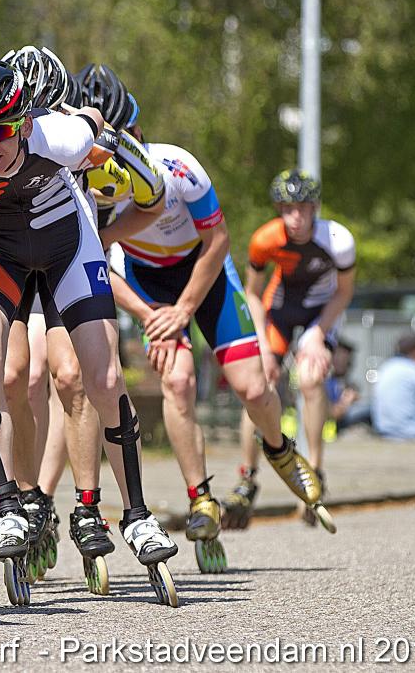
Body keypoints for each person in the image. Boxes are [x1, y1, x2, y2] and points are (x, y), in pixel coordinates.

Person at [0, 59, 177, 605]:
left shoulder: (61, 137)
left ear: (24, 122)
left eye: (0, 131)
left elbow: (97, 124)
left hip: (66, 248)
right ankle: (8, 506)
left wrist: (103, 137)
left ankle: (137, 515)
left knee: (102, 377)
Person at [100, 84, 315, 568]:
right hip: (148, 284)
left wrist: (184, 308)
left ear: (137, 133)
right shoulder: (94, 188)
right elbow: (96, 265)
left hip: (206, 272)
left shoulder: (179, 167)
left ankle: (279, 449)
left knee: (252, 387)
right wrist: (149, 315)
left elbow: (218, 241)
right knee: (177, 382)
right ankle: (201, 499)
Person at [224, 169, 354, 530]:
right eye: (287, 209)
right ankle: (247, 478)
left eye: (302, 209)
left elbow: (344, 292)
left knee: (310, 378)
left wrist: (318, 334)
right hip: (279, 310)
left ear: (315, 208)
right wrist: (264, 346)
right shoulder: (265, 239)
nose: (295, 217)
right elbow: (252, 294)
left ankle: (315, 472)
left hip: (320, 311)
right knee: (257, 384)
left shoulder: (338, 240)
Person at [326, 338, 371, 432]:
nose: (345, 363)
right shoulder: (326, 382)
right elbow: (331, 413)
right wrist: (345, 403)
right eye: (341, 359)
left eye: (347, 360)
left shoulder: (342, 382)